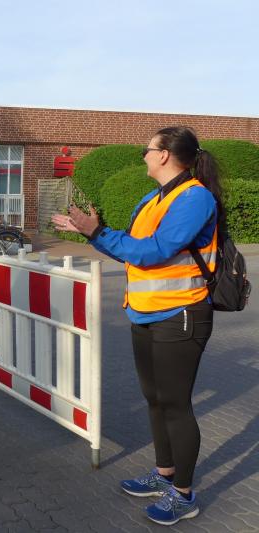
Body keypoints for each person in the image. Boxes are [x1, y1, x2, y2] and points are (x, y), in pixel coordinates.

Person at [52, 126, 219, 526]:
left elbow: (155, 251)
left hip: (181, 314)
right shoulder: (153, 198)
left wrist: (98, 233)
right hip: (144, 312)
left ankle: (184, 494)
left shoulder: (195, 197)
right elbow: (131, 248)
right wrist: (94, 234)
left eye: (148, 149)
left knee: (175, 405)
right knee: (154, 399)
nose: (143, 154)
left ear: (164, 155)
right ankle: (164, 474)